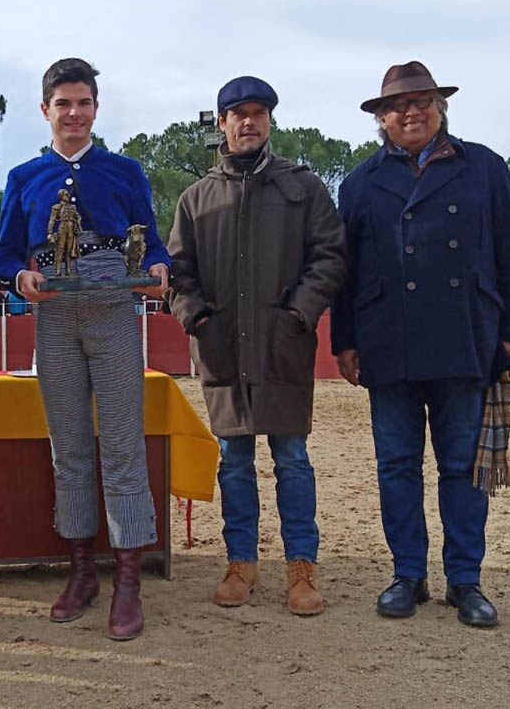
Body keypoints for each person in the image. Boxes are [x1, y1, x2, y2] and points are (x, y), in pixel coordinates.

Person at [331, 61, 510, 628]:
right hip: (386, 341)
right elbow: (346, 272)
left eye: (422, 100)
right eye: (398, 105)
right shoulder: (360, 183)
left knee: (461, 467)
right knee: (396, 466)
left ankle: (465, 581)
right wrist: (344, 339)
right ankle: (408, 576)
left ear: (440, 107)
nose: (411, 111)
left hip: (466, 336)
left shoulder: (485, 168)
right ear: (382, 118)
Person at [0, 58, 169, 640]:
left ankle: (127, 580)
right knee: (68, 444)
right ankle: (81, 571)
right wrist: (20, 277)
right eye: (63, 103)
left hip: (115, 310)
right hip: (55, 316)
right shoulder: (23, 176)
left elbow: (152, 238)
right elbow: (7, 254)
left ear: (96, 109)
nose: (73, 113)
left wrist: (162, 268)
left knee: (121, 443)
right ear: (45, 110)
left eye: (83, 103)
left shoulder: (124, 170)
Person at [166, 77, 346, 616]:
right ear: (221, 123)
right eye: (237, 113)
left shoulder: (303, 187)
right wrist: (195, 317)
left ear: (270, 120)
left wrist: (300, 312)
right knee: (234, 461)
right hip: (223, 350)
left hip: (282, 345)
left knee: (293, 459)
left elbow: (330, 256)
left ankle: (301, 568)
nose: (248, 122)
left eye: (258, 112)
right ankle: (240, 563)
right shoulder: (196, 199)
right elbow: (177, 272)